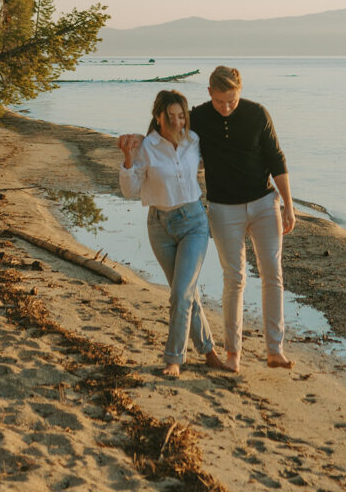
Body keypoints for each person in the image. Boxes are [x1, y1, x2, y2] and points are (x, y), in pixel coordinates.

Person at [120, 66, 295, 374]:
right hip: (206, 212)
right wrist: (134, 146)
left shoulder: (245, 119)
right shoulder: (187, 124)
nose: (226, 108)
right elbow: (158, 143)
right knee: (221, 282)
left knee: (270, 275)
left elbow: (276, 158)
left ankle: (272, 350)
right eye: (220, 101)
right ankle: (224, 352)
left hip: (240, 209)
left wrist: (289, 206)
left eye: (232, 100)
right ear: (209, 93)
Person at [119, 89, 225, 377]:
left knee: (180, 293)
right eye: (172, 117)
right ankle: (209, 352)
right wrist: (128, 158)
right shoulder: (146, 148)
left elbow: (220, 156)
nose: (179, 122)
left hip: (193, 222)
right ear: (158, 118)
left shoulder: (194, 141)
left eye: (182, 116)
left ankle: (174, 359)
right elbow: (129, 190)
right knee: (186, 292)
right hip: (159, 227)